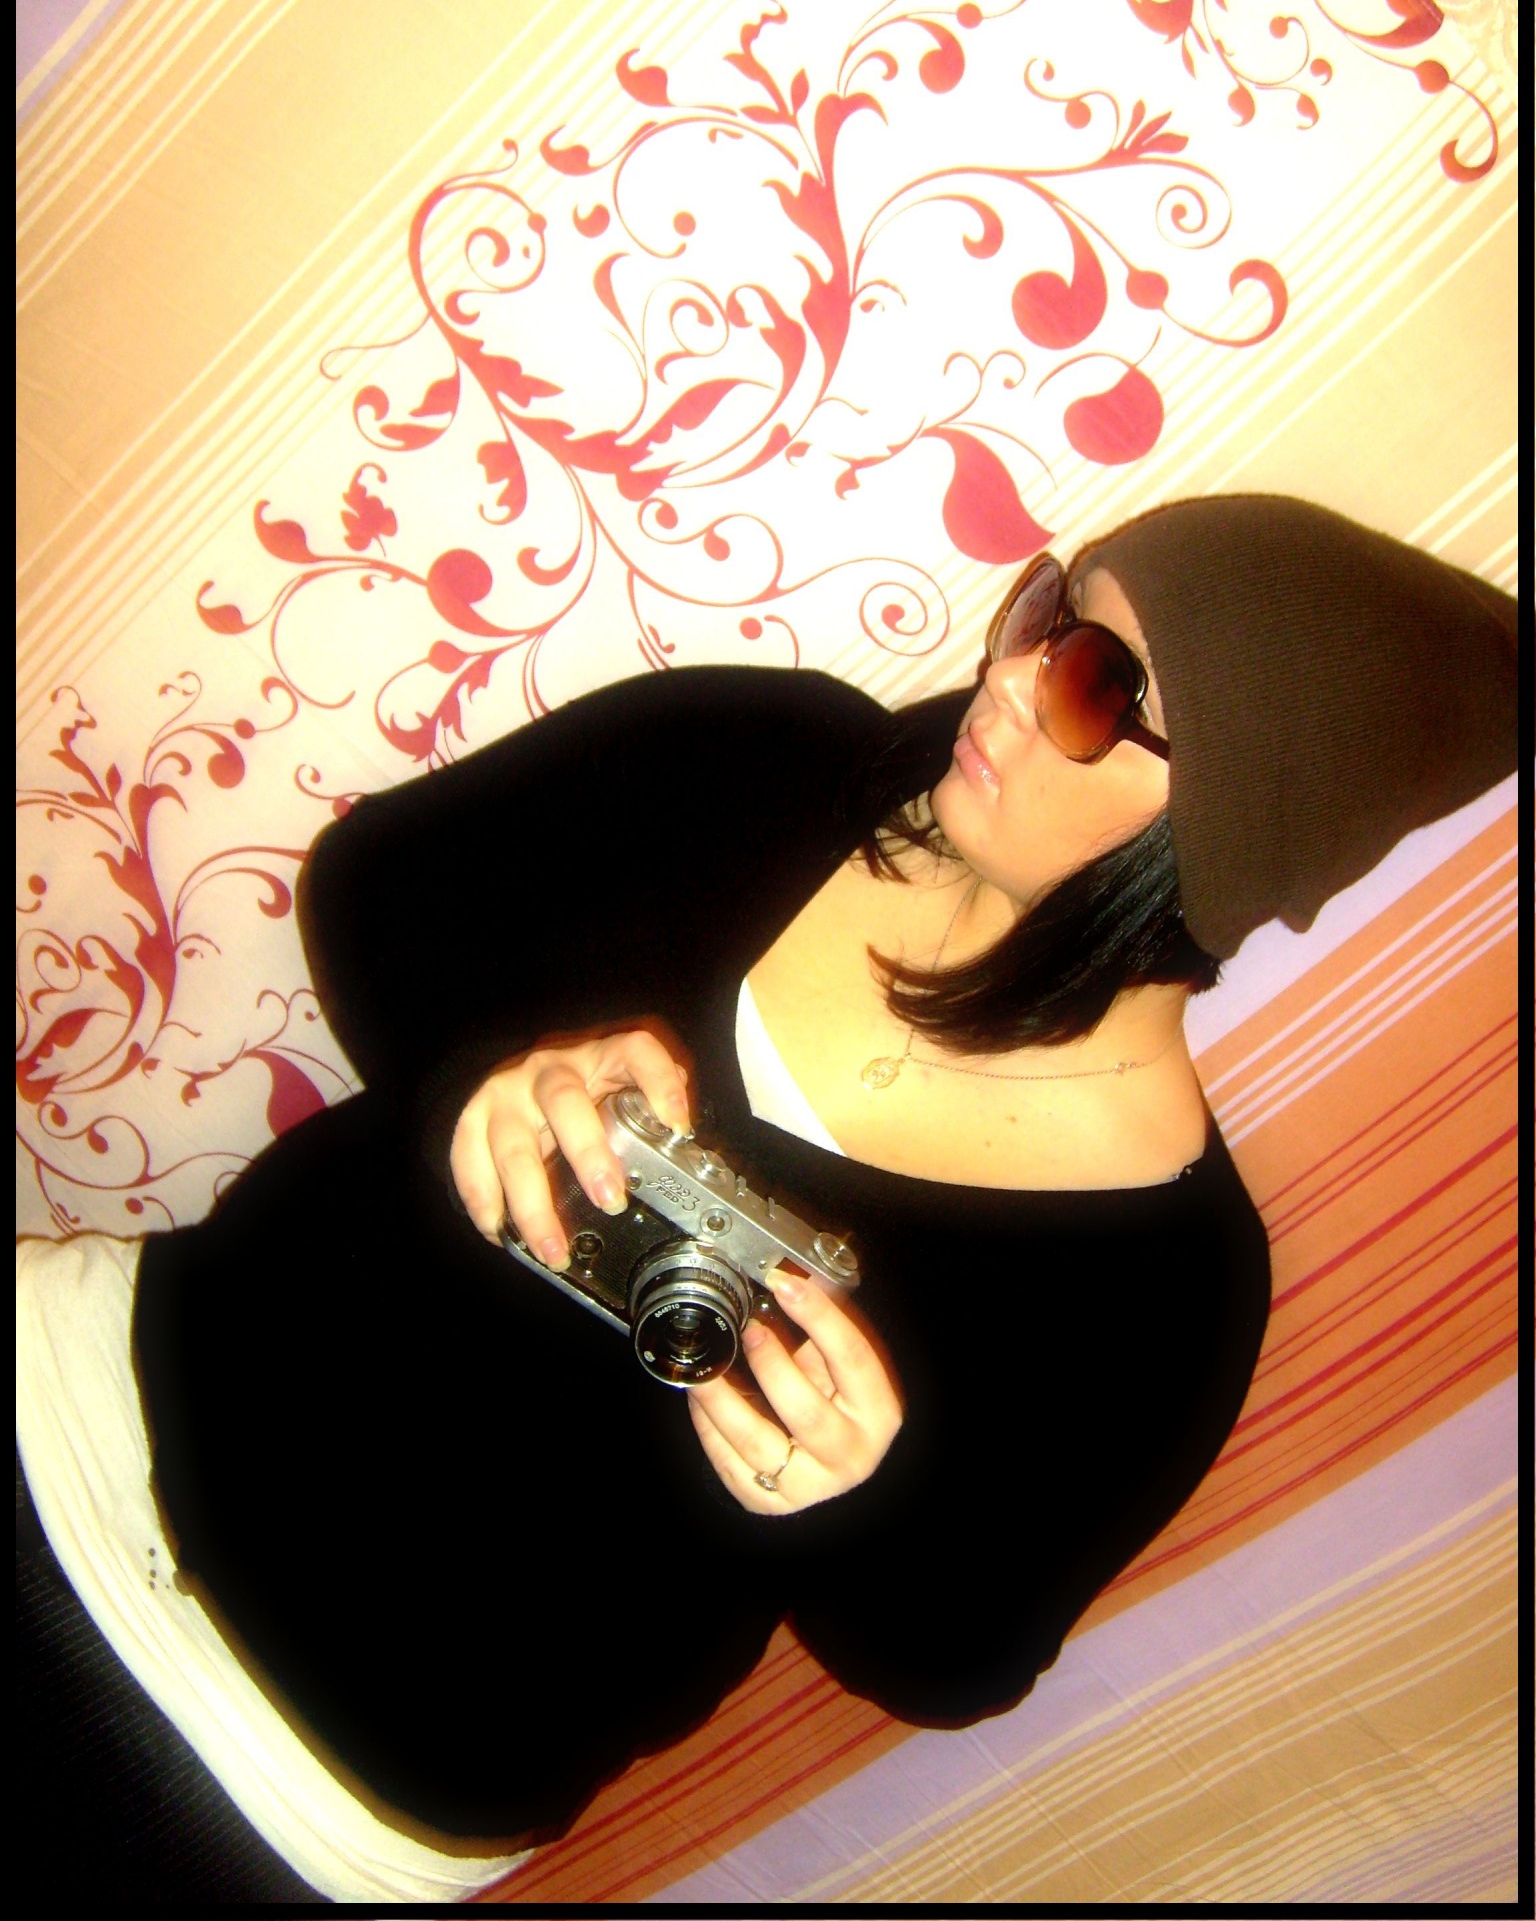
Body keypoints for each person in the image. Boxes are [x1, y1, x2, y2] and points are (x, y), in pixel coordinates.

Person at [128, 492, 1518, 1845]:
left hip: (323, 1795)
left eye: (1095, 682)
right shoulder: (777, 758)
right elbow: (371, 890)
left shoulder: (1169, 1288)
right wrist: (522, 1055)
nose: (1008, 673)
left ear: (1234, 824)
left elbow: (951, 1655)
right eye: (1049, 612)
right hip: (104, 1400)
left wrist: (860, 1492)